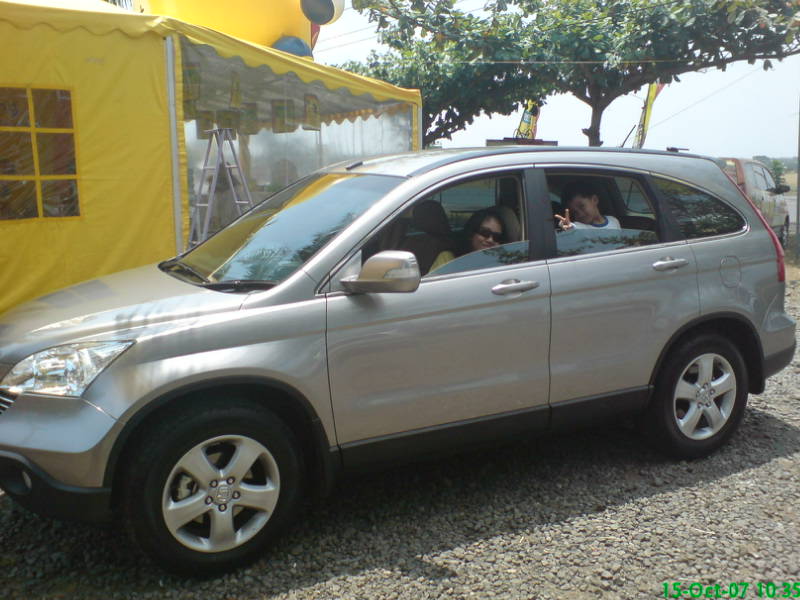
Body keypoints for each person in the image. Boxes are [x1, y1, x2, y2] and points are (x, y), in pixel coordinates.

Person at [429, 207, 506, 272]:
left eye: (496, 237)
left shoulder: (503, 266)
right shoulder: (448, 259)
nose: (490, 240)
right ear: (471, 234)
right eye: (485, 233)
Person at [556, 181, 620, 231]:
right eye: (575, 212)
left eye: (581, 206)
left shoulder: (614, 221)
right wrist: (565, 225)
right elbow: (571, 226)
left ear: (594, 200)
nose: (580, 214)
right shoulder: (580, 227)